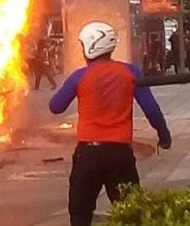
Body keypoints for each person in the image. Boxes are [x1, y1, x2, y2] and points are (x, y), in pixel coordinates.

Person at [49, 21, 171, 226]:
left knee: (80, 212)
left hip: (88, 155)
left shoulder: (80, 76)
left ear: (89, 46)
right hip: (120, 155)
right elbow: (151, 109)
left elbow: (56, 106)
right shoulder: (131, 72)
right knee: (132, 213)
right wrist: (164, 137)